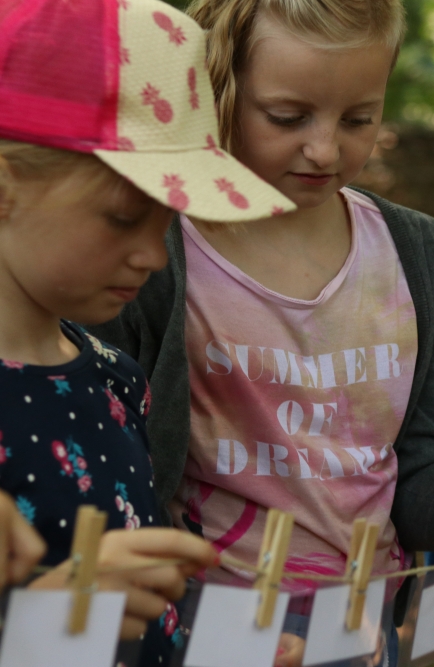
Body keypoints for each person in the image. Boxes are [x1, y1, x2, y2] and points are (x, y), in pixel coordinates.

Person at [87, 2, 434, 665]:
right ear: (219, 85)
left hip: (364, 624)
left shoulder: (414, 254)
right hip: (200, 626)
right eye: (287, 117)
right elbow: (111, 472)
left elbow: (417, 477)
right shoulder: (156, 254)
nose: (326, 148)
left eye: (359, 118)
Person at [0, 0, 288, 659]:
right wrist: (44, 618)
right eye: (124, 217)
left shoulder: (113, 373)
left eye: (166, 223)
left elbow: (143, 616)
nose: (155, 256)